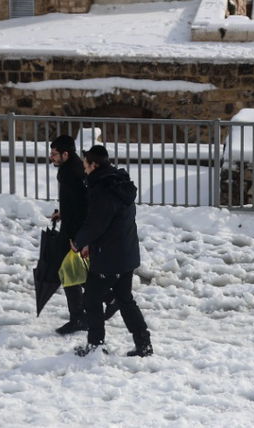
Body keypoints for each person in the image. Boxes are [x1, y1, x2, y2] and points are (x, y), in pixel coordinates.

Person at [72, 145, 152, 357]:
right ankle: (143, 344)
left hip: (110, 256)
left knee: (91, 299)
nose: (84, 169)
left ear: (94, 165)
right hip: (125, 253)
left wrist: (79, 241)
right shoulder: (118, 183)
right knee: (124, 298)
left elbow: (96, 224)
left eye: (85, 165)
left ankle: (96, 345)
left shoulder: (104, 190)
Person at [48, 134, 88, 336]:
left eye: (54, 154)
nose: (51, 157)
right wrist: (62, 212)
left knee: (69, 272)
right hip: (76, 228)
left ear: (66, 154)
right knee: (75, 271)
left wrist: (75, 237)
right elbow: (74, 202)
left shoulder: (71, 172)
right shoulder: (72, 168)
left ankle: (79, 317)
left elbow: (81, 205)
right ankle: (108, 298)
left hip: (75, 231)